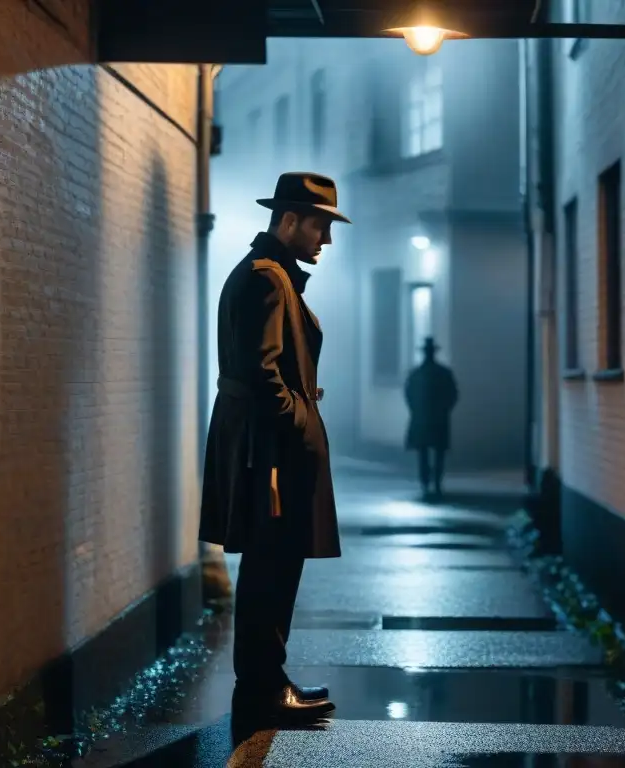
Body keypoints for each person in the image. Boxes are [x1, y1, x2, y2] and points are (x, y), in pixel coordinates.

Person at [198, 172, 350, 721]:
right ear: (289, 220)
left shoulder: (274, 275)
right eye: (319, 226)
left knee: (275, 569)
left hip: (270, 449)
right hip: (269, 455)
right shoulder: (266, 279)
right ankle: (262, 689)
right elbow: (260, 375)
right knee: (270, 569)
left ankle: (267, 681)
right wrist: (296, 423)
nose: (325, 241)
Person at [404, 337, 459, 498]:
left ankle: (427, 482)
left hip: (423, 418)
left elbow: (409, 395)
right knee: (436, 453)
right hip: (437, 418)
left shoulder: (416, 374)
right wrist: (444, 409)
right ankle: (434, 482)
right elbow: (453, 395)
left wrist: (416, 410)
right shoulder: (443, 373)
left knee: (424, 453)